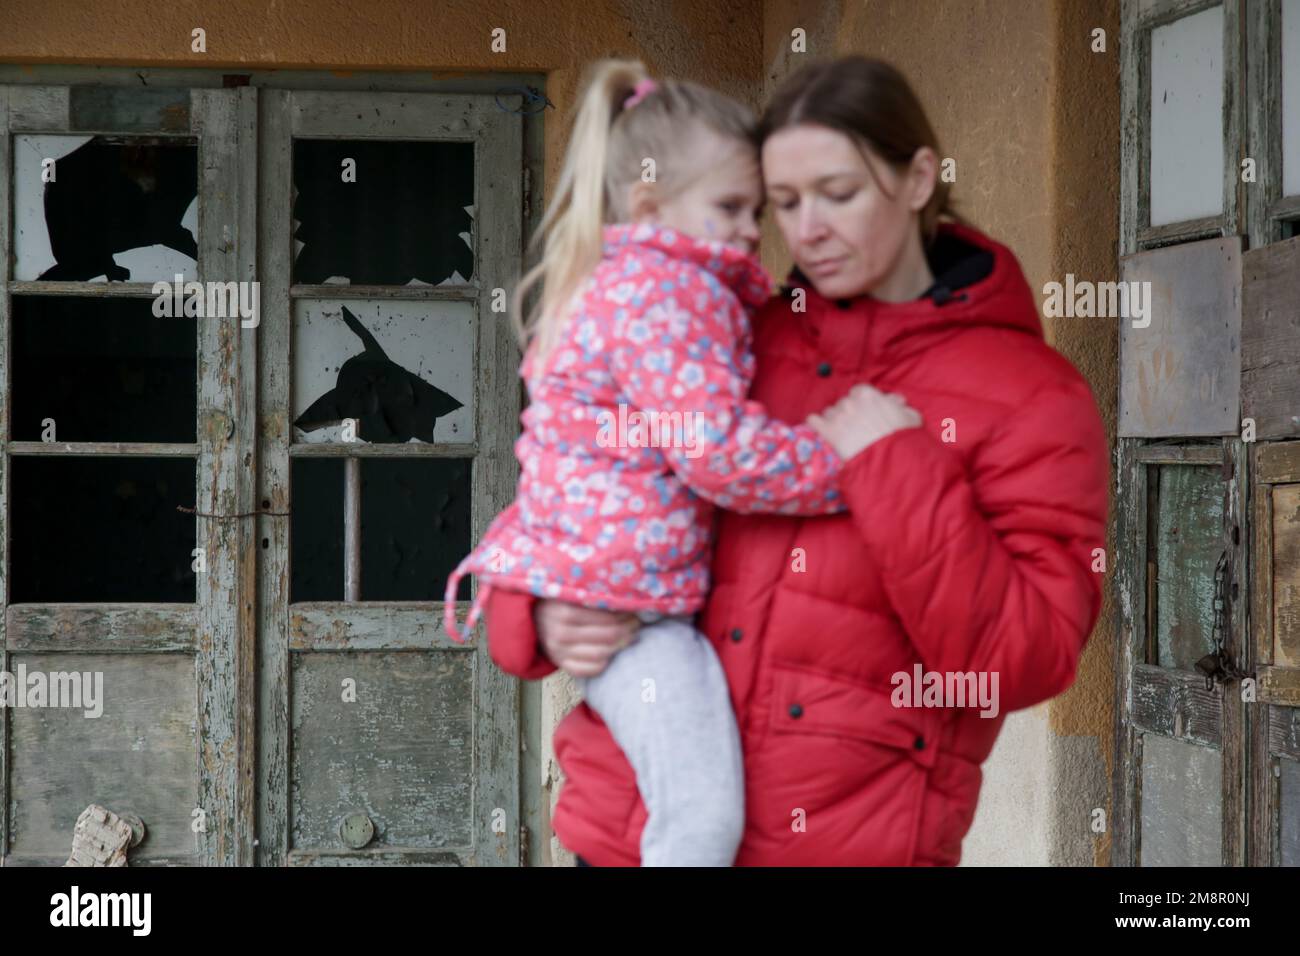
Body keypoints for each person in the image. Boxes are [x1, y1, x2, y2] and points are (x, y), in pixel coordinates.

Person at [482, 55, 1110, 867]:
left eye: (838, 194)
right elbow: (582, 475)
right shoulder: (735, 334)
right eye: (783, 203)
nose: (805, 228)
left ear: (919, 178)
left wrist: (893, 467)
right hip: (627, 838)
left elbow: (1024, 660)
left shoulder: (1033, 395)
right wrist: (530, 608)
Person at [443, 59, 899, 865]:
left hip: (618, 598)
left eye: (762, 210)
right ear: (651, 202)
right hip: (634, 616)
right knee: (698, 824)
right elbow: (717, 454)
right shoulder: (670, 295)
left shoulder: (624, 284)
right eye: (735, 206)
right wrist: (851, 463)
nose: (753, 230)